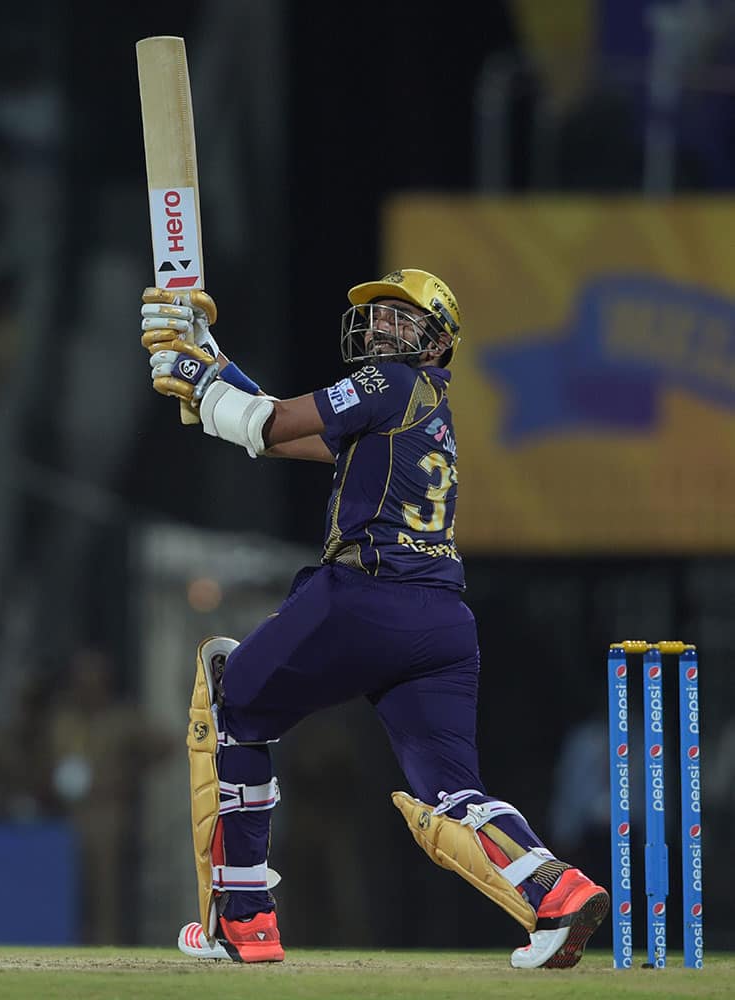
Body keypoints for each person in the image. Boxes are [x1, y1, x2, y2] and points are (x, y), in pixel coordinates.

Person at [140, 268, 609, 968]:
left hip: (364, 598)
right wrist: (211, 357)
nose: (381, 326)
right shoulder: (419, 411)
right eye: (377, 315)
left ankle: (243, 922)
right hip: (442, 625)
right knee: (452, 795)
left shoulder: (386, 386)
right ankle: (557, 891)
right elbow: (269, 432)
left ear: (436, 342)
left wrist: (195, 379)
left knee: (229, 703)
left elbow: (265, 421)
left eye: (401, 317)